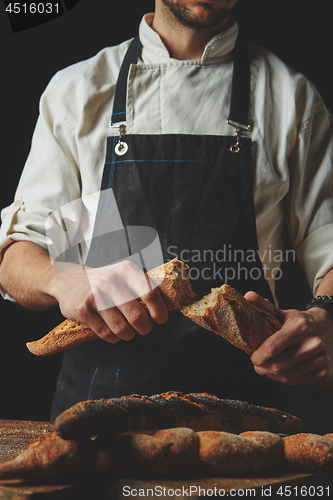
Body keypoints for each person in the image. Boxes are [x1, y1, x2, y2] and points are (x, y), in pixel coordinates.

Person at [0, 0, 332, 421]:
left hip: (241, 422)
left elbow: (329, 244)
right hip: (95, 422)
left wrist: (326, 315)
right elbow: (16, 253)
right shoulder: (77, 92)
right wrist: (64, 282)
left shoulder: (291, 98)